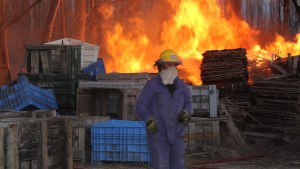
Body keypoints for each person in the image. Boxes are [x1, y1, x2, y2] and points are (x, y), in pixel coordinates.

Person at [135, 49, 192, 169]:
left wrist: (186, 112)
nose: (172, 68)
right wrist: (148, 119)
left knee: (178, 165)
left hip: (177, 135)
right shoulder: (152, 85)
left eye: (174, 65)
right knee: (161, 165)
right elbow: (140, 106)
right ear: (161, 67)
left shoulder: (182, 86)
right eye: (169, 64)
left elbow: (188, 103)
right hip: (158, 135)